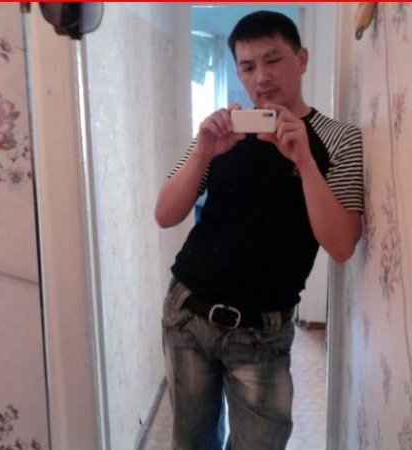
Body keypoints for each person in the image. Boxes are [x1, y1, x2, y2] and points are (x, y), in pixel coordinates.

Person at [155, 10, 363, 450]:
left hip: (263, 332)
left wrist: (304, 161)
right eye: (248, 67)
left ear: (301, 59)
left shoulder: (338, 140)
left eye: (273, 60)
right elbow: (165, 214)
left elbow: (342, 244)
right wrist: (204, 152)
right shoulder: (225, 133)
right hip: (188, 314)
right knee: (191, 444)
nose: (261, 77)